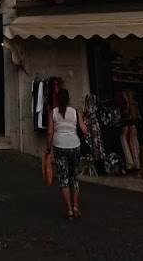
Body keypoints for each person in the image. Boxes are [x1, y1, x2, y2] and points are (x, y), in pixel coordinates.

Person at [46, 87, 88, 219]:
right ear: (69, 99)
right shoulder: (75, 112)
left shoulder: (53, 113)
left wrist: (47, 149)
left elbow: (49, 133)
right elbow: (84, 130)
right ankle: (76, 206)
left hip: (59, 146)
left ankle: (69, 209)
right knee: (74, 176)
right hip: (74, 145)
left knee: (63, 177)